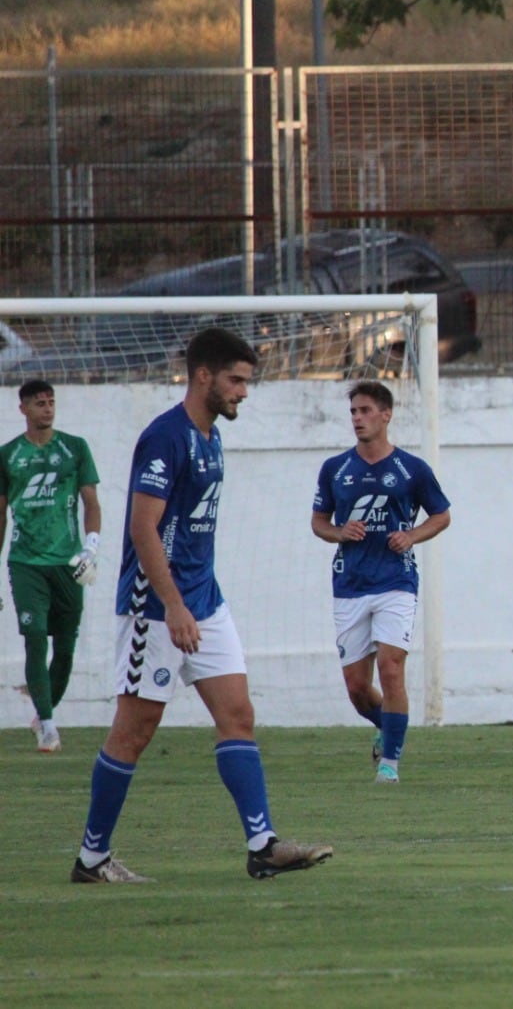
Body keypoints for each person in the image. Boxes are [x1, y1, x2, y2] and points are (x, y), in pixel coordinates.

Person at [71, 327, 332, 883]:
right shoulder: (165, 437)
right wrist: (173, 607)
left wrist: (194, 603)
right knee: (134, 731)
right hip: (154, 608)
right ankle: (92, 858)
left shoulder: (211, 436)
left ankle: (263, 846)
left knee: (237, 716)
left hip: (204, 602)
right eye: (236, 381)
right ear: (203, 376)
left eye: (247, 382)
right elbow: (143, 530)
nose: (244, 391)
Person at [312, 381, 452, 784]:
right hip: (350, 584)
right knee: (358, 688)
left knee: (392, 669)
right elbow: (319, 521)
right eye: (353, 411)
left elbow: (441, 516)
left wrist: (411, 536)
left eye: (366, 410)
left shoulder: (412, 469)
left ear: (386, 415)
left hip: (396, 582)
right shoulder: (335, 469)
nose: (357, 418)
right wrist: (339, 532)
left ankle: (389, 763)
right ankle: (386, 726)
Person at [0, 380, 101, 754]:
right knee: (34, 638)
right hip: (25, 562)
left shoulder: (74, 448)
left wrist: (91, 546)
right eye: (39, 403)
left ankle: (44, 714)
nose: (47, 408)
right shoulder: (8, 455)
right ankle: (48, 726)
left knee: (66, 648)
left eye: (51, 402)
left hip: (67, 562)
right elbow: (0, 518)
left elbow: (91, 501)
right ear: (23, 408)